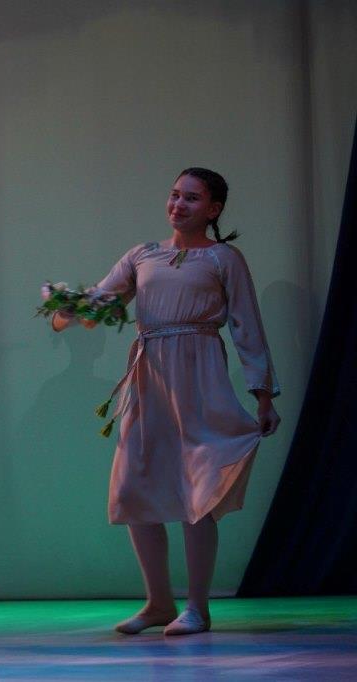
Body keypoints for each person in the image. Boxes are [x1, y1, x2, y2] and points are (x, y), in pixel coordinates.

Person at [51, 168, 281, 635]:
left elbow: (246, 325)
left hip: (199, 374)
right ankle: (158, 602)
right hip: (150, 374)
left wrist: (262, 395)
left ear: (213, 209)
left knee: (198, 488)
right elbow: (103, 299)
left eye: (191, 198)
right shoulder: (143, 254)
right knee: (136, 485)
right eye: (175, 195)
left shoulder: (223, 258)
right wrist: (67, 309)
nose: (178, 204)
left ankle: (197, 607)